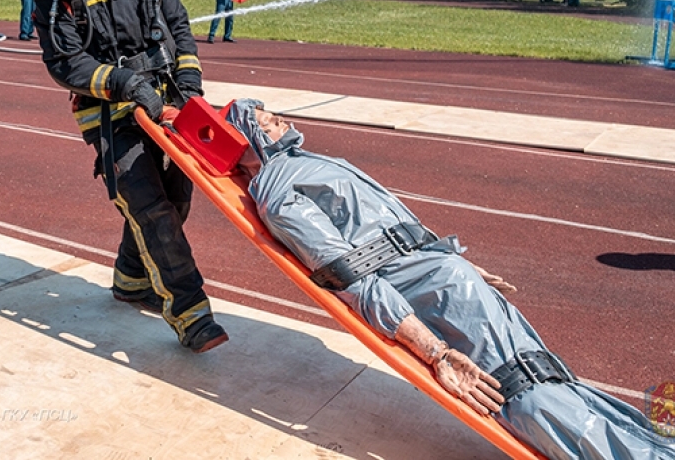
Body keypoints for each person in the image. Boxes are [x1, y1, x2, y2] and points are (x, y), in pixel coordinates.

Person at [223, 98, 675, 460]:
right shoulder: (278, 190)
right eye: (266, 119)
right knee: (520, 394)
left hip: (450, 282)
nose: (280, 119)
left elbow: (393, 230)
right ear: (246, 139)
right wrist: (435, 352)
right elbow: (351, 277)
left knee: (548, 375)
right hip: (435, 299)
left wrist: (455, 261)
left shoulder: (307, 163)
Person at [29, 0, 226, 353]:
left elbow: (178, 29)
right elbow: (66, 64)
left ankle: (131, 275)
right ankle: (190, 313)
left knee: (177, 196)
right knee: (147, 205)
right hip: (109, 118)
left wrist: (191, 90)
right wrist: (124, 83)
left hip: (167, 102)